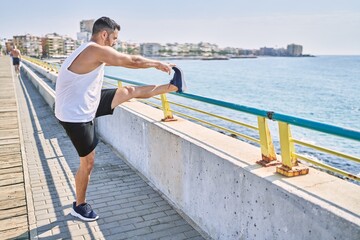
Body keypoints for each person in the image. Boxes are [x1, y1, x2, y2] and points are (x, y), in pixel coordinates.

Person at [55, 16, 186, 221]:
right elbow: (131, 61)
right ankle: (79, 206)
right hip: (75, 114)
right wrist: (157, 63)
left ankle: (173, 87)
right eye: (114, 38)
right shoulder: (94, 49)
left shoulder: (89, 50)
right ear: (104, 34)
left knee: (127, 91)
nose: (116, 42)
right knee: (88, 162)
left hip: (86, 101)